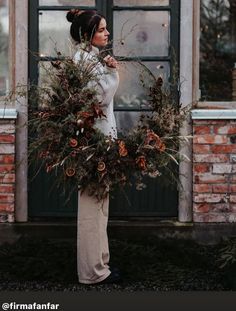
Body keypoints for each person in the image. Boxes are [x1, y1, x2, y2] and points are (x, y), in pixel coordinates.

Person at [66, 9, 120, 285]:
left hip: (99, 140)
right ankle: (92, 273)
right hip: (92, 143)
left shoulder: (90, 58)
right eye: (101, 29)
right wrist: (112, 71)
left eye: (106, 28)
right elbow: (99, 98)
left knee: (99, 207)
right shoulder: (84, 61)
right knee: (92, 209)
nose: (107, 33)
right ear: (87, 34)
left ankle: (101, 265)